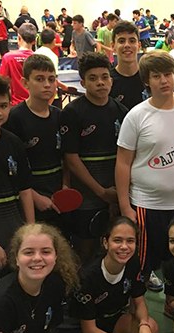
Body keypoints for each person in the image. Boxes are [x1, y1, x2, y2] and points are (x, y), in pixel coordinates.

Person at [115, 50, 174, 296]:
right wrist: (125, 206)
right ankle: (138, 309)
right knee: (143, 265)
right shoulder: (136, 116)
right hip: (147, 205)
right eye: (156, 76)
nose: (164, 80)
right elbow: (123, 163)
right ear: (147, 80)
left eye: (168, 74)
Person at [55, 217, 158, 333]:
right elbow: (90, 331)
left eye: (130, 241)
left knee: (152, 327)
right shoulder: (87, 278)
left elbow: (139, 302)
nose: (124, 247)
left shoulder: (132, 262)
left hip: (107, 317)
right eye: (117, 240)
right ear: (105, 242)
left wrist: (144, 325)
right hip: (76, 328)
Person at [60, 53, 129, 262]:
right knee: (85, 250)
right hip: (86, 196)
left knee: (114, 247)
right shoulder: (72, 112)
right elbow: (71, 160)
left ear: (111, 80)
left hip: (115, 192)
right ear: (82, 83)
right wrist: (101, 192)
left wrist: (117, 194)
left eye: (104, 77)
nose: (100, 82)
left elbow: (126, 158)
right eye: (93, 78)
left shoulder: (122, 111)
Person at [0, 72, 34, 293]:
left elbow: (25, 190)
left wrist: (30, 230)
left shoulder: (14, 143)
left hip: (15, 236)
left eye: (3, 106)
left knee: (16, 293)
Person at [4, 55, 65, 231]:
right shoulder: (14, 118)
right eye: (39, 79)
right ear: (25, 83)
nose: (47, 84)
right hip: (30, 199)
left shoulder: (59, 116)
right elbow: (11, 168)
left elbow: (65, 158)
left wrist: (65, 186)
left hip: (57, 195)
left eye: (51, 79)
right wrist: (35, 197)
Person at [110, 20, 148, 110]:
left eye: (132, 41)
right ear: (113, 46)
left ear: (139, 46)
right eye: (121, 41)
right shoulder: (107, 82)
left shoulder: (149, 78)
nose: (127, 45)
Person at [0, 23, 36, 106]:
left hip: (15, 105)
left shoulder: (8, 57)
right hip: (35, 104)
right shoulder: (39, 58)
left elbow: (2, 81)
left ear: (18, 37)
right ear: (34, 41)